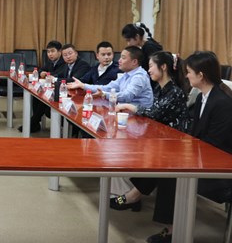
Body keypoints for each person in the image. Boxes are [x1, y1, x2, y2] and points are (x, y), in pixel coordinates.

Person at [125, 51, 232, 243]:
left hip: (219, 166)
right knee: (163, 160)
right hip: (204, 156)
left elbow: (214, 145)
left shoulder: (222, 103)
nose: (187, 76)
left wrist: (183, 154)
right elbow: (195, 134)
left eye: (189, 72)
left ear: (201, 75)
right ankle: (139, 200)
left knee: (171, 172)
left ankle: (174, 230)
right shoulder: (202, 98)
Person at [109, 51, 189, 211]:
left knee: (149, 154)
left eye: (151, 66)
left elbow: (154, 113)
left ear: (163, 67)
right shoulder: (160, 88)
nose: (149, 70)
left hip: (172, 143)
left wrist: (130, 106)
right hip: (158, 138)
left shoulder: (175, 92)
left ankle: (132, 196)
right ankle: (129, 194)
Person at [68, 46, 153, 109]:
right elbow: (107, 88)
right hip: (124, 112)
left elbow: (127, 96)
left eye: (123, 58)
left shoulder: (139, 77)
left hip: (140, 118)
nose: (119, 60)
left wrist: (105, 95)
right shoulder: (126, 75)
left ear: (134, 62)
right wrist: (83, 85)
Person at [19, 40, 69, 133]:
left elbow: (59, 75)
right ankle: (35, 123)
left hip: (62, 91)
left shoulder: (64, 62)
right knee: (36, 96)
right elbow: (41, 70)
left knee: (43, 100)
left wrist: (47, 74)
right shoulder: (50, 62)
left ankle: (33, 122)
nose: (50, 54)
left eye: (52, 51)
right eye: (48, 52)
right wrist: (41, 72)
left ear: (60, 52)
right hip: (51, 89)